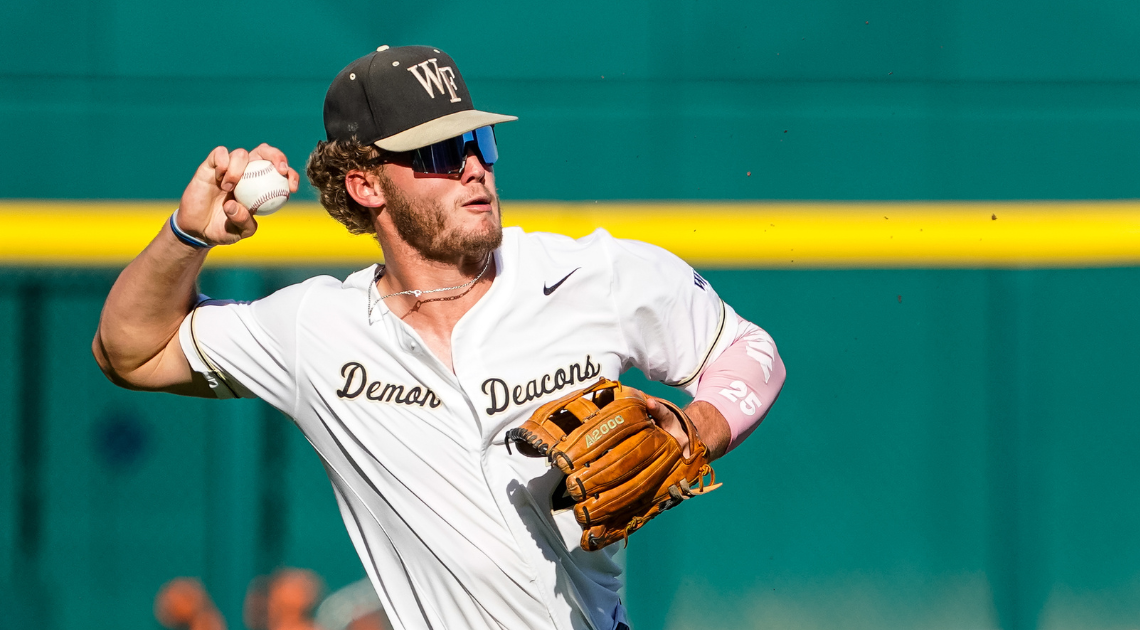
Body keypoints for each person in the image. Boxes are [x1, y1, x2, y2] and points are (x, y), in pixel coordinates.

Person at [94, 45, 786, 630]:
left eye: (478, 141)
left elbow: (748, 351)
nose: (473, 167)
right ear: (365, 184)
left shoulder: (590, 275)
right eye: (439, 152)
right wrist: (185, 238)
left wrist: (696, 429)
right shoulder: (315, 330)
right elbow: (133, 350)